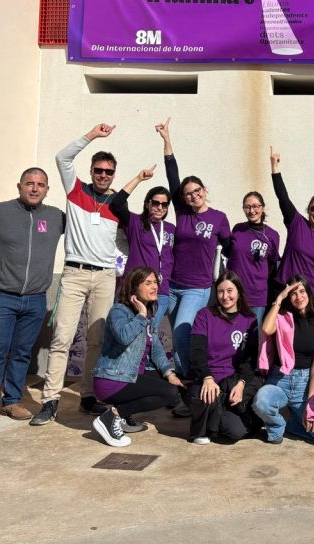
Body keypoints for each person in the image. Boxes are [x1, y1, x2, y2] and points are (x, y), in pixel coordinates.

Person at [32, 123, 120, 426]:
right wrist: (92, 135)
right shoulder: (76, 190)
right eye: (99, 170)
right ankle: (50, 400)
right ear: (91, 171)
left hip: (105, 276)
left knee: (97, 340)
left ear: (114, 175)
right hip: (74, 273)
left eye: (108, 172)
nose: (103, 175)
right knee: (62, 338)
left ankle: (88, 395)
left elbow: (128, 238)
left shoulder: (117, 203)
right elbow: (62, 158)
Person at [0, 169, 66, 428]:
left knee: (22, 352)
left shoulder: (56, 217)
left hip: (36, 298)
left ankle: (12, 400)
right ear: (19, 186)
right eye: (29, 184)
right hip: (1, 296)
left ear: (47, 189)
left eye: (40, 185)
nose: (34, 189)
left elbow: (87, 223)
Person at [156, 118, 232, 383]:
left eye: (197, 191)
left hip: (197, 288)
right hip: (173, 285)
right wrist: (167, 140)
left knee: (180, 333)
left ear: (204, 190)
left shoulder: (219, 218)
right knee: (176, 337)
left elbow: (231, 248)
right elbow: (172, 174)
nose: (193, 196)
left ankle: (195, 379)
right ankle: (184, 381)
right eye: (188, 193)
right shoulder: (183, 212)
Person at [90, 267, 183, 447]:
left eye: (155, 282)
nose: (154, 287)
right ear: (134, 287)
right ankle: (112, 417)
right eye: (148, 283)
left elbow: (156, 349)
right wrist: (140, 315)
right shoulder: (119, 311)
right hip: (113, 379)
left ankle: (123, 416)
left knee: (173, 386)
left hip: (131, 376)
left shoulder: (148, 316)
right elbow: (124, 336)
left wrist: (169, 374)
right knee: (169, 393)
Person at [253, 276, 314, 446]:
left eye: (302, 291)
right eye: (293, 293)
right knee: (261, 402)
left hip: (305, 385)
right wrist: (279, 298)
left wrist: (311, 404)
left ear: (308, 294)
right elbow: (266, 329)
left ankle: (294, 424)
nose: (298, 296)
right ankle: (277, 427)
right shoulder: (281, 318)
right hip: (280, 380)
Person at [187, 272, 261, 444]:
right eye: (220, 291)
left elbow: (250, 359)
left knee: (235, 431)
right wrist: (207, 377)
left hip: (232, 381)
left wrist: (241, 383)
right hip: (209, 379)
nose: (225, 296)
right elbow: (197, 351)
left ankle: (216, 412)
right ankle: (209, 418)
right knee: (205, 396)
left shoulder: (249, 319)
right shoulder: (204, 315)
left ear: (239, 292)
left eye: (230, 291)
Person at [269, 145, 314, 322]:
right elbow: (283, 197)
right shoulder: (297, 224)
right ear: (308, 210)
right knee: (279, 334)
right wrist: (275, 167)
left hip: (313, 295)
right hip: (286, 290)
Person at [108, 166, 175, 333]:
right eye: (156, 203)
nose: (160, 207)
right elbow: (116, 204)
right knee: (124, 333)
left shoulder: (171, 228)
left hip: (159, 291)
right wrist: (139, 178)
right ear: (147, 203)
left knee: (148, 335)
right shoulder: (135, 222)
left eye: (165, 204)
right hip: (133, 289)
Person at [224, 191, 281, 323]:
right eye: (247, 207)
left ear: (263, 207)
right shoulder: (238, 229)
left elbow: (272, 264)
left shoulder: (272, 235)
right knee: (230, 330)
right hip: (233, 292)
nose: (251, 211)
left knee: (252, 333)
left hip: (257, 296)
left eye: (255, 206)